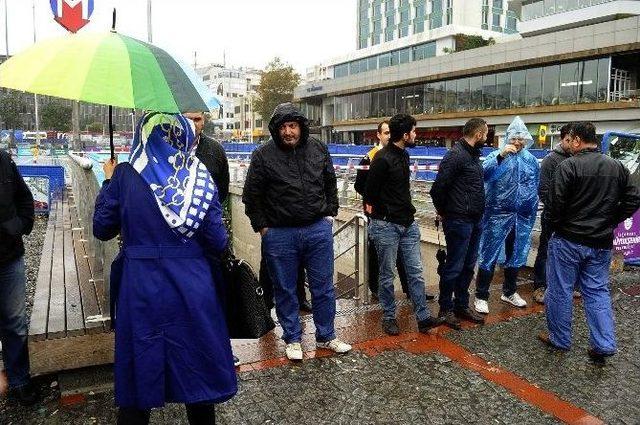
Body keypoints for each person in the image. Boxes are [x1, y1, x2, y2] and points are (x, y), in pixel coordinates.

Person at [94, 113, 237, 424]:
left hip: (140, 285)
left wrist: (109, 179)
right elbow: (218, 240)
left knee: (138, 372)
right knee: (196, 373)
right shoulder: (199, 176)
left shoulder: (126, 174)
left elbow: (102, 228)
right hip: (192, 286)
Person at [242, 103, 352, 361]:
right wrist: (263, 228)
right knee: (285, 289)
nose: (288, 132)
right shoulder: (262, 155)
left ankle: (327, 335)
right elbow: (251, 197)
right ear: (276, 129)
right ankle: (292, 338)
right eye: (283, 127)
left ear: (301, 126)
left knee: (323, 287)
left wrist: (329, 213)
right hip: (279, 234)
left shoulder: (318, 148)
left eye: (292, 126)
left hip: (317, 229)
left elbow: (329, 181)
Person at [540, 122, 640, 364]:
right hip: (601, 242)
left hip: (568, 240)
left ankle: (560, 338)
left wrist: (556, 227)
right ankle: (604, 343)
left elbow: (554, 205)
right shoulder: (617, 167)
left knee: (560, 289)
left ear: (576, 140)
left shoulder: (568, 166)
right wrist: (611, 220)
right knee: (597, 291)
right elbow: (633, 198)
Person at [364, 114, 444, 336]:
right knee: (387, 274)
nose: (416, 135)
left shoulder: (404, 155)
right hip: (386, 226)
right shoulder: (381, 159)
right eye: (414, 131)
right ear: (406, 134)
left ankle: (423, 317)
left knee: (416, 272)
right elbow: (369, 194)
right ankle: (389, 317)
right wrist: (382, 216)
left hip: (408, 224)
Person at [474, 116, 540, 314]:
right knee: (489, 254)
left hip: (521, 217)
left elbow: (534, 186)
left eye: (521, 138)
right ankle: (481, 295)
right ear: (507, 138)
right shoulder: (496, 156)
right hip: (497, 214)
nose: (517, 142)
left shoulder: (531, 161)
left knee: (516, 252)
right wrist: (500, 156)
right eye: (514, 138)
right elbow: (483, 175)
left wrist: (530, 211)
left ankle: (510, 291)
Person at [429, 118, 488, 330]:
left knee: (468, 266)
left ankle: (461, 305)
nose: (487, 137)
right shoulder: (455, 155)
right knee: (453, 266)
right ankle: (445, 308)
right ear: (478, 134)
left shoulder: (473, 156)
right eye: (486, 133)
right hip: (458, 220)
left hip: (475, 219)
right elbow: (438, 189)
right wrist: (445, 212)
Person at [354, 120, 416, 300]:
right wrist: (380, 202)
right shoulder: (371, 157)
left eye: (391, 132)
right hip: (378, 215)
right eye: (386, 132)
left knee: (404, 254)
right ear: (379, 135)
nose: (389, 135)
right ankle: (375, 289)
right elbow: (360, 186)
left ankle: (409, 289)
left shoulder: (402, 154)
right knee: (377, 255)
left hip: (399, 215)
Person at [0, 148, 38, 406]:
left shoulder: (3, 160)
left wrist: (20, 225)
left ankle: (19, 380)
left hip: (9, 256)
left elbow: (24, 197)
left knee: (15, 322)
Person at [532, 123, 573, 304]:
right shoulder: (551, 160)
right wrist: (557, 210)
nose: (571, 144)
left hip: (572, 218)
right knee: (546, 250)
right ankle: (540, 285)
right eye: (568, 140)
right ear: (562, 139)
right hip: (553, 215)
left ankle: (564, 286)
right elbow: (544, 189)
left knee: (568, 252)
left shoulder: (577, 158)